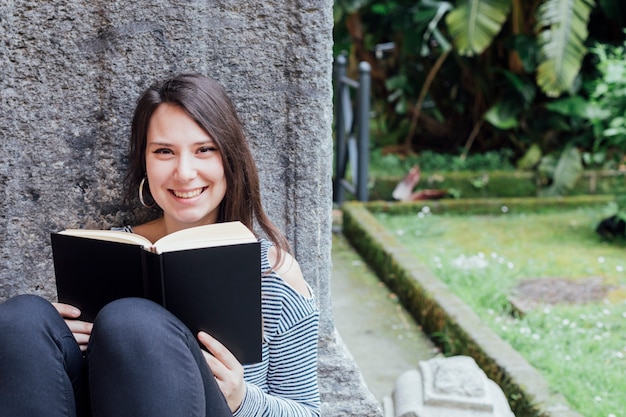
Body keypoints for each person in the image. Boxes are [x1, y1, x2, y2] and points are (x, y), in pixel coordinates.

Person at [0, 73, 320, 417]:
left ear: (229, 159)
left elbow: (308, 410)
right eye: (164, 151)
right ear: (145, 162)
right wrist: (54, 337)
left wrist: (243, 398)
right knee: (22, 320)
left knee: (132, 322)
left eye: (204, 150)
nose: (184, 173)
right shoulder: (107, 253)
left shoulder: (272, 272)